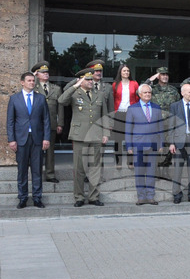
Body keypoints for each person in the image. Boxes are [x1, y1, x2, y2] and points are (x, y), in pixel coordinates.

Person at [58, 69, 109, 206]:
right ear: (81, 81)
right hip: (80, 136)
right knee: (79, 169)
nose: (91, 81)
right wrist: (75, 84)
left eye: (92, 79)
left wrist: (106, 134)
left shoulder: (99, 94)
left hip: (96, 136)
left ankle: (94, 197)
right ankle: (79, 197)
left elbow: (105, 115)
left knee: (95, 168)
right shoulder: (75, 93)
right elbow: (61, 100)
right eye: (88, 79)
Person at [7, 72, 51, 208]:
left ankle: (37, 197)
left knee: (37, 170)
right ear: (22, 82)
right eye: (29, 80)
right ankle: (23, 197)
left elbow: (46, 120)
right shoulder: (14, 99)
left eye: (33, 80)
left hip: (37, 139)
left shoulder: (41, 98)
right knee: (22, 170)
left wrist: (46, 138)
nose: (32, 82)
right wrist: (11, 139)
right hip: (21, 140)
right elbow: (10, 121)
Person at [125, 84, 165, 205]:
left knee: (152, 171)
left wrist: (161, 144)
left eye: (149, 93)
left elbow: (160, 127)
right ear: (139, 94)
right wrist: (129, 146)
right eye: (145, 93)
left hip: (153, 144)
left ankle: (150, 196)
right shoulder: (132, 108)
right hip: (138, 145)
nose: (148, 94)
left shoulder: (156, 107)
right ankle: (141, 197)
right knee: (139, 172)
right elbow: (128, 129)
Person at [167, 83, 190, 204]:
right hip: (178, 142)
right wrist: (171, 143)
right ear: (182, 93)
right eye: (189, 92)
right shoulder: (175, 106)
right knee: (178, 170)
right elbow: (171, 126)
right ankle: (177, 194)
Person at [33, 62, 64, 183]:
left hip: (51, 123)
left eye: (47, 72)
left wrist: (60, 123)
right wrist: (32, 75)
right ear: (37, 74)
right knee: (36, 151)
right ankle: (37, 174)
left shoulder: (56, 89)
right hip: (36, 125)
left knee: (50, 151)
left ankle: (50, 174)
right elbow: (24, 88)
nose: (46, 74)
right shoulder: (33, 87)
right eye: (43, 72)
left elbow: (60, 107)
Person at [147, 66, 180, 168]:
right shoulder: (152, 89)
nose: (165, 76)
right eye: (162, 74)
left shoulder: (173, 90)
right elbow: (139, 91)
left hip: (169, 123)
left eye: (166, 74)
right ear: (158, 76)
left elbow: (178, 106)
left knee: (168, 148)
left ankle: (165, 170)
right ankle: (156, 171)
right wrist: (150, 79)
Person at [111, 64, 140, 169]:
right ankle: (118, 162)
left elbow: (137, 98)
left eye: (128, 71)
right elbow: (113, 99)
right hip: (119, 113)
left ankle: (130, 161)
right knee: (118, 138)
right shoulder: (115, 84)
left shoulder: (134, 83)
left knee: (131, 138)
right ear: (120, 72)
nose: (126, 72)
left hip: (131, 113)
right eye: (124, 71)